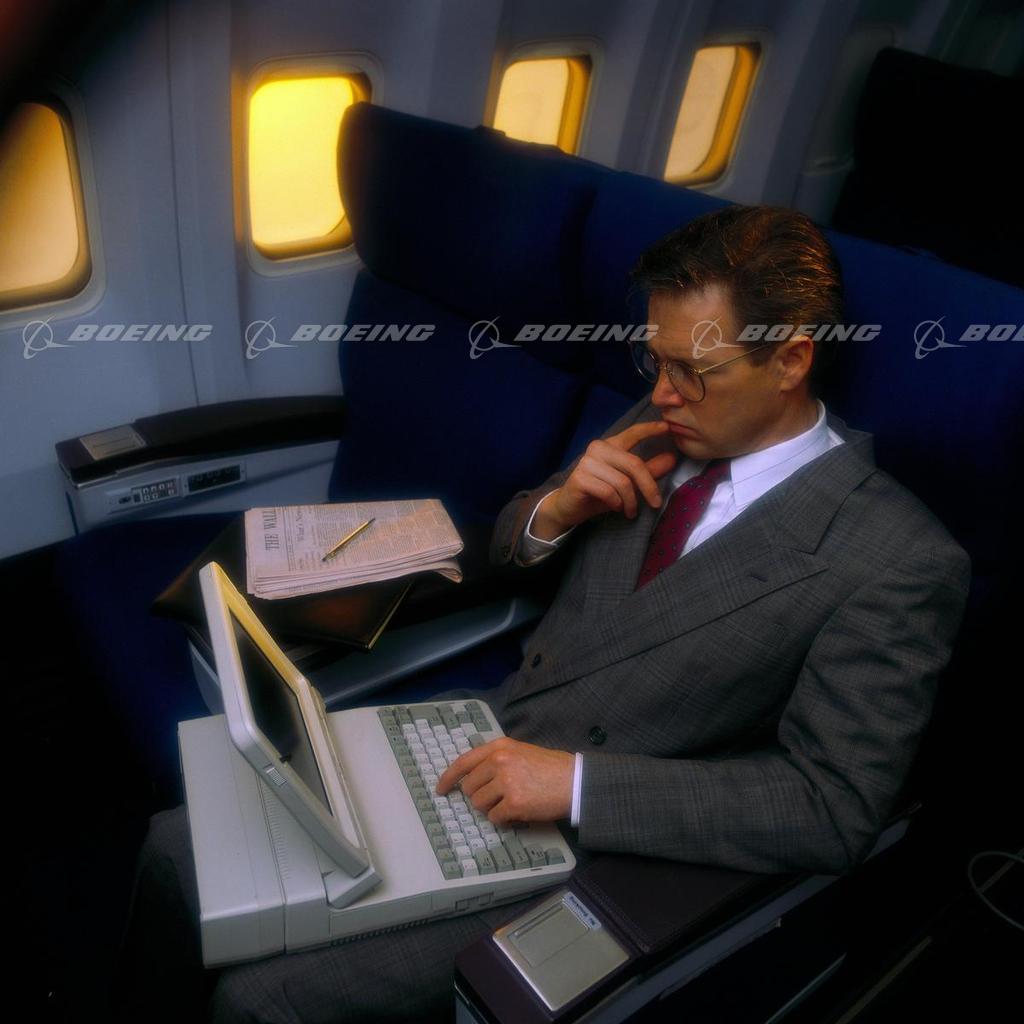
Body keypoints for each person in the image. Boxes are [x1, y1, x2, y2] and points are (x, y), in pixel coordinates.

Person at [118, 205, 971, 1022]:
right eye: (654, 361)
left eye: (691, 371)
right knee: (171, 850)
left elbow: (833, 807)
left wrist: (576, 784)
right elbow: (507, 547)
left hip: (599, 840)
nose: (663, 392)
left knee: (263, 1001)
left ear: (789, 360)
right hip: (483, 730)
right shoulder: (668, 421)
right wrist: (554, 511)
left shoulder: (895, 559)